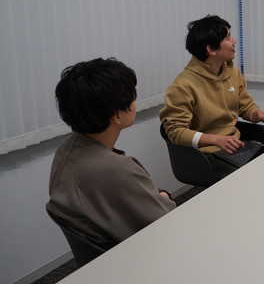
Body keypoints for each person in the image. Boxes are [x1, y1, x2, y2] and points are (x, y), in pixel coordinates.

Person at [47, 58, 176, 248]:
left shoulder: (65, 150)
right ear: (117, 115)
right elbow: (167, 218)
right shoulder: (118, 169)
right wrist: (163, 196)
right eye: (132, 98)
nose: (135, 103)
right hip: (139, 251)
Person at [159, 15, 264, 170]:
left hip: (235, 146)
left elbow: (245, 106)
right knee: (255, 174)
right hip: (205, 155)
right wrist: (215, 140)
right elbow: (175, 132)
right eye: (228, 38)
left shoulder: (232, 72)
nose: (234, 41)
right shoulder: (183, 86)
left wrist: (257, 114)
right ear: (211, 49)